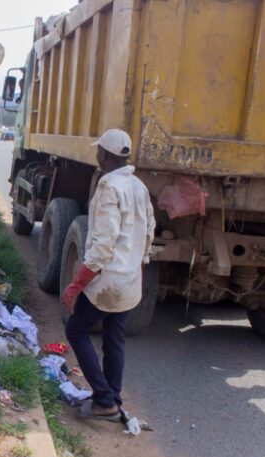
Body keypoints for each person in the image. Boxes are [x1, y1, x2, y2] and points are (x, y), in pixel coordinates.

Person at [61, 129, 155, 422]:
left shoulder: (108, 186)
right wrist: (139, 267)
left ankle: (103, 399)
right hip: (130, 280)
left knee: (76, 330)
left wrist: (75, 285)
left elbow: (103, 244)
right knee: (115, 339)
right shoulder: (139, 186)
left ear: (104, 155)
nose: (97, 155)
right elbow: (149, 233)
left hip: (109, 281)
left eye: (98, 151)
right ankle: (112, 397)